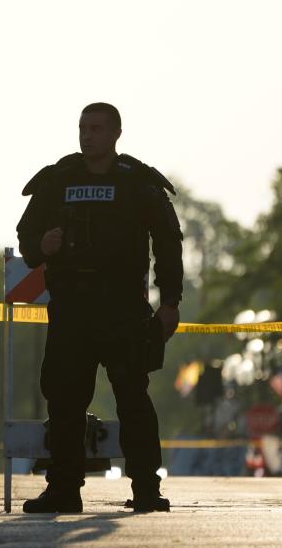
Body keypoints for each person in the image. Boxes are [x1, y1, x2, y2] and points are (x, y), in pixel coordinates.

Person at [15, 102, 183, 513]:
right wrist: (41, 247)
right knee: (65, 401)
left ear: (115, 134)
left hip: (122, 310)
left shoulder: (138, 183)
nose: (87, 135)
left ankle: (146, 488)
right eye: (82, 128)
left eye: (96, 128)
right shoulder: (57, 180)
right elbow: (26, 237)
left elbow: (168, 242)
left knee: (133, 399)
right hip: (71, 311)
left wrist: (170, 302)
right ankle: (63, 489)